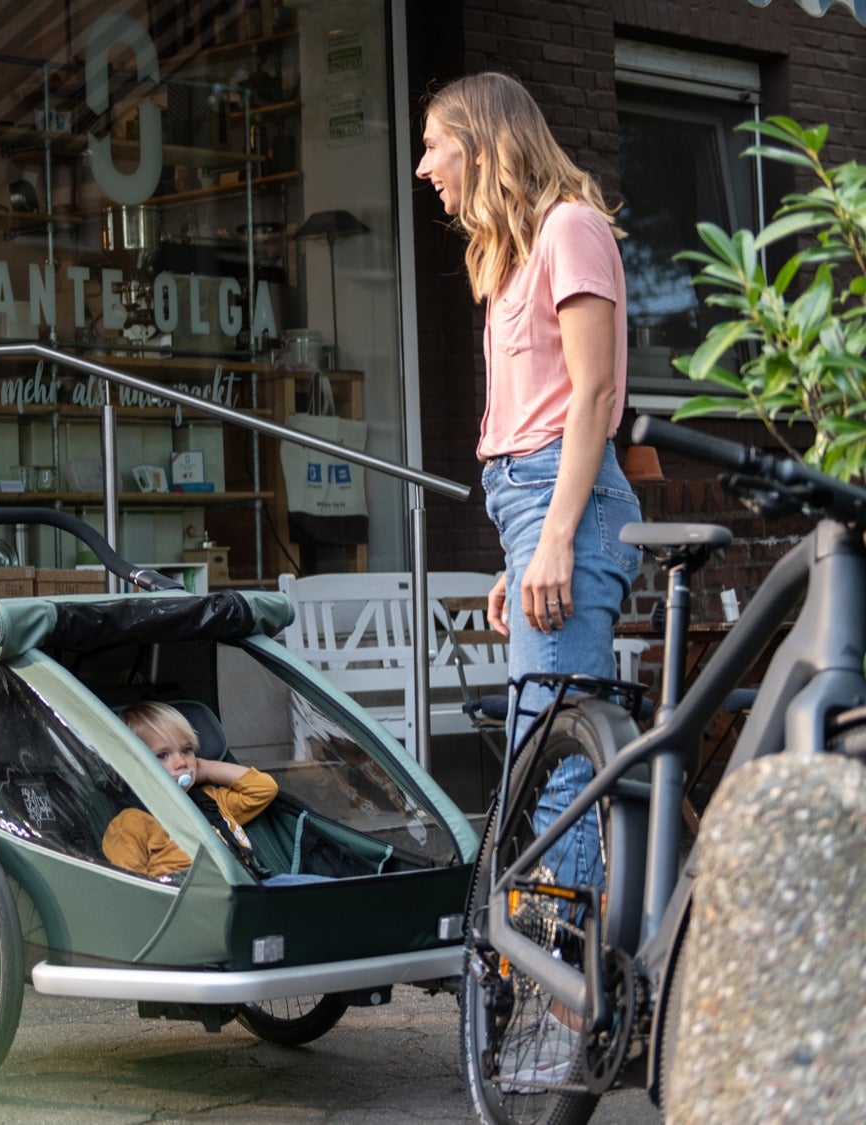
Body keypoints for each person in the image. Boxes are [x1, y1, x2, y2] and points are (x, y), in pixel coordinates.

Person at [417, 71, 643, 1089]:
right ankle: (572, 998)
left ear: (481, 140)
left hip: (567, 496)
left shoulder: (568, 227)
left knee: (555, 772)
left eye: (434, 145)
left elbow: (590, 393)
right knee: (539, 755)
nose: (424, 168)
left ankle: (570, 1012)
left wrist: (554, 539)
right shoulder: (507, 256)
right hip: (532, 504)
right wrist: (524, 549)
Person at [101, 701, 328, 886]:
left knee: (313, 886)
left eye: (187, 750)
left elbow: (264, 789)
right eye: (162, 755)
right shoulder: (132, 822)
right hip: (193, 900)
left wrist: (205, 768)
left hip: (247, 888)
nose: (181, 762)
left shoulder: (213, 800)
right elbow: (130, 887)